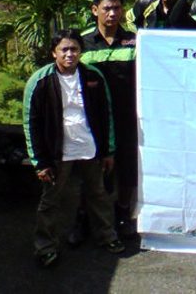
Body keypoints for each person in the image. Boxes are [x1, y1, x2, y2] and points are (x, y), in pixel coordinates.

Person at [23, 29, 124, 268]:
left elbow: (106, 114)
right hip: (57, 152)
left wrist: (108, 150)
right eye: (64, 49)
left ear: (81, 51)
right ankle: (45, 246)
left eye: (74, 49)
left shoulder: (93, 76)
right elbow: (31, 122)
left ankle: (107, 235)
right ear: (54, 53)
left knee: (98, 194)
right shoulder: (40, 81)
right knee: (51, 200)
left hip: (89, 147)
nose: (70, 54)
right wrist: (39, 161)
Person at [81, 0, 138, 238]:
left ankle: (123, 214)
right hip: (93, 120)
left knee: (127, 169)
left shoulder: (135, 41)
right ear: (95, 10)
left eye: (116, 8)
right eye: (107, 8)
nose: (112, 13)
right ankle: (83, 219)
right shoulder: (82, 42)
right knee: (90, 172)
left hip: (127, 118)